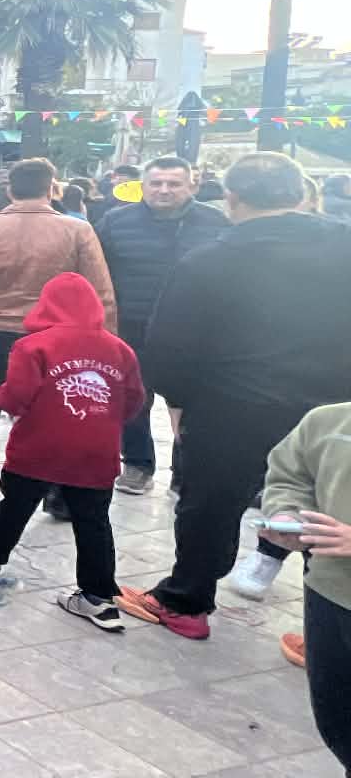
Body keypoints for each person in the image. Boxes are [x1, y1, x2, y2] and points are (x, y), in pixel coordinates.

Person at [122, 153, 351, 636]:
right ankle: (329, 629)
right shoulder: (344, 244)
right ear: (300, 193)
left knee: (210, 503)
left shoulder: (208, 261)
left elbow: (170, 347)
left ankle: (185, 602)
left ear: (231, 198)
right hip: (334, 407)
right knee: (332, 505)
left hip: (233, 405)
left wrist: (178, 405)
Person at [0, 272, 144, 633]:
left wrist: (6, 401)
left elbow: (15, 396)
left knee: (15, 505)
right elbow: (134, 400)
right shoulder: (120, 350)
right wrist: (101, 421)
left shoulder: (34, 346)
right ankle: (98, 598)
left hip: (39, 447)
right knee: (93, 522)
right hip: (96, 453)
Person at [0, 157, 117, 487]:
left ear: (10, 190)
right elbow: (100, 292)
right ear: (51, 189)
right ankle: (52, 472)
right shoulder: (77, 230)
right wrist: (105, 339)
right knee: (57, 402)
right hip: (57, 334)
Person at [94, 155, 227, 494]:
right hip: (133, 326)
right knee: (134, 399)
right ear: (143, 186)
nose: (164, 190)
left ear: (192, 186)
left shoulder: (216, 222)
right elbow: (99, 274)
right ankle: (137, 464)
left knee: (192, 402)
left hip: (196, 329)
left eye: (173, 183)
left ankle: (186, 470)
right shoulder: (115, 222)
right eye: (156, 183)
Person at [256, 402, 351, 778]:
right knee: (338, 719)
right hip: (330, 593)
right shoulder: (328, 422)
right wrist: (287, 514)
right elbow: (291, 474)